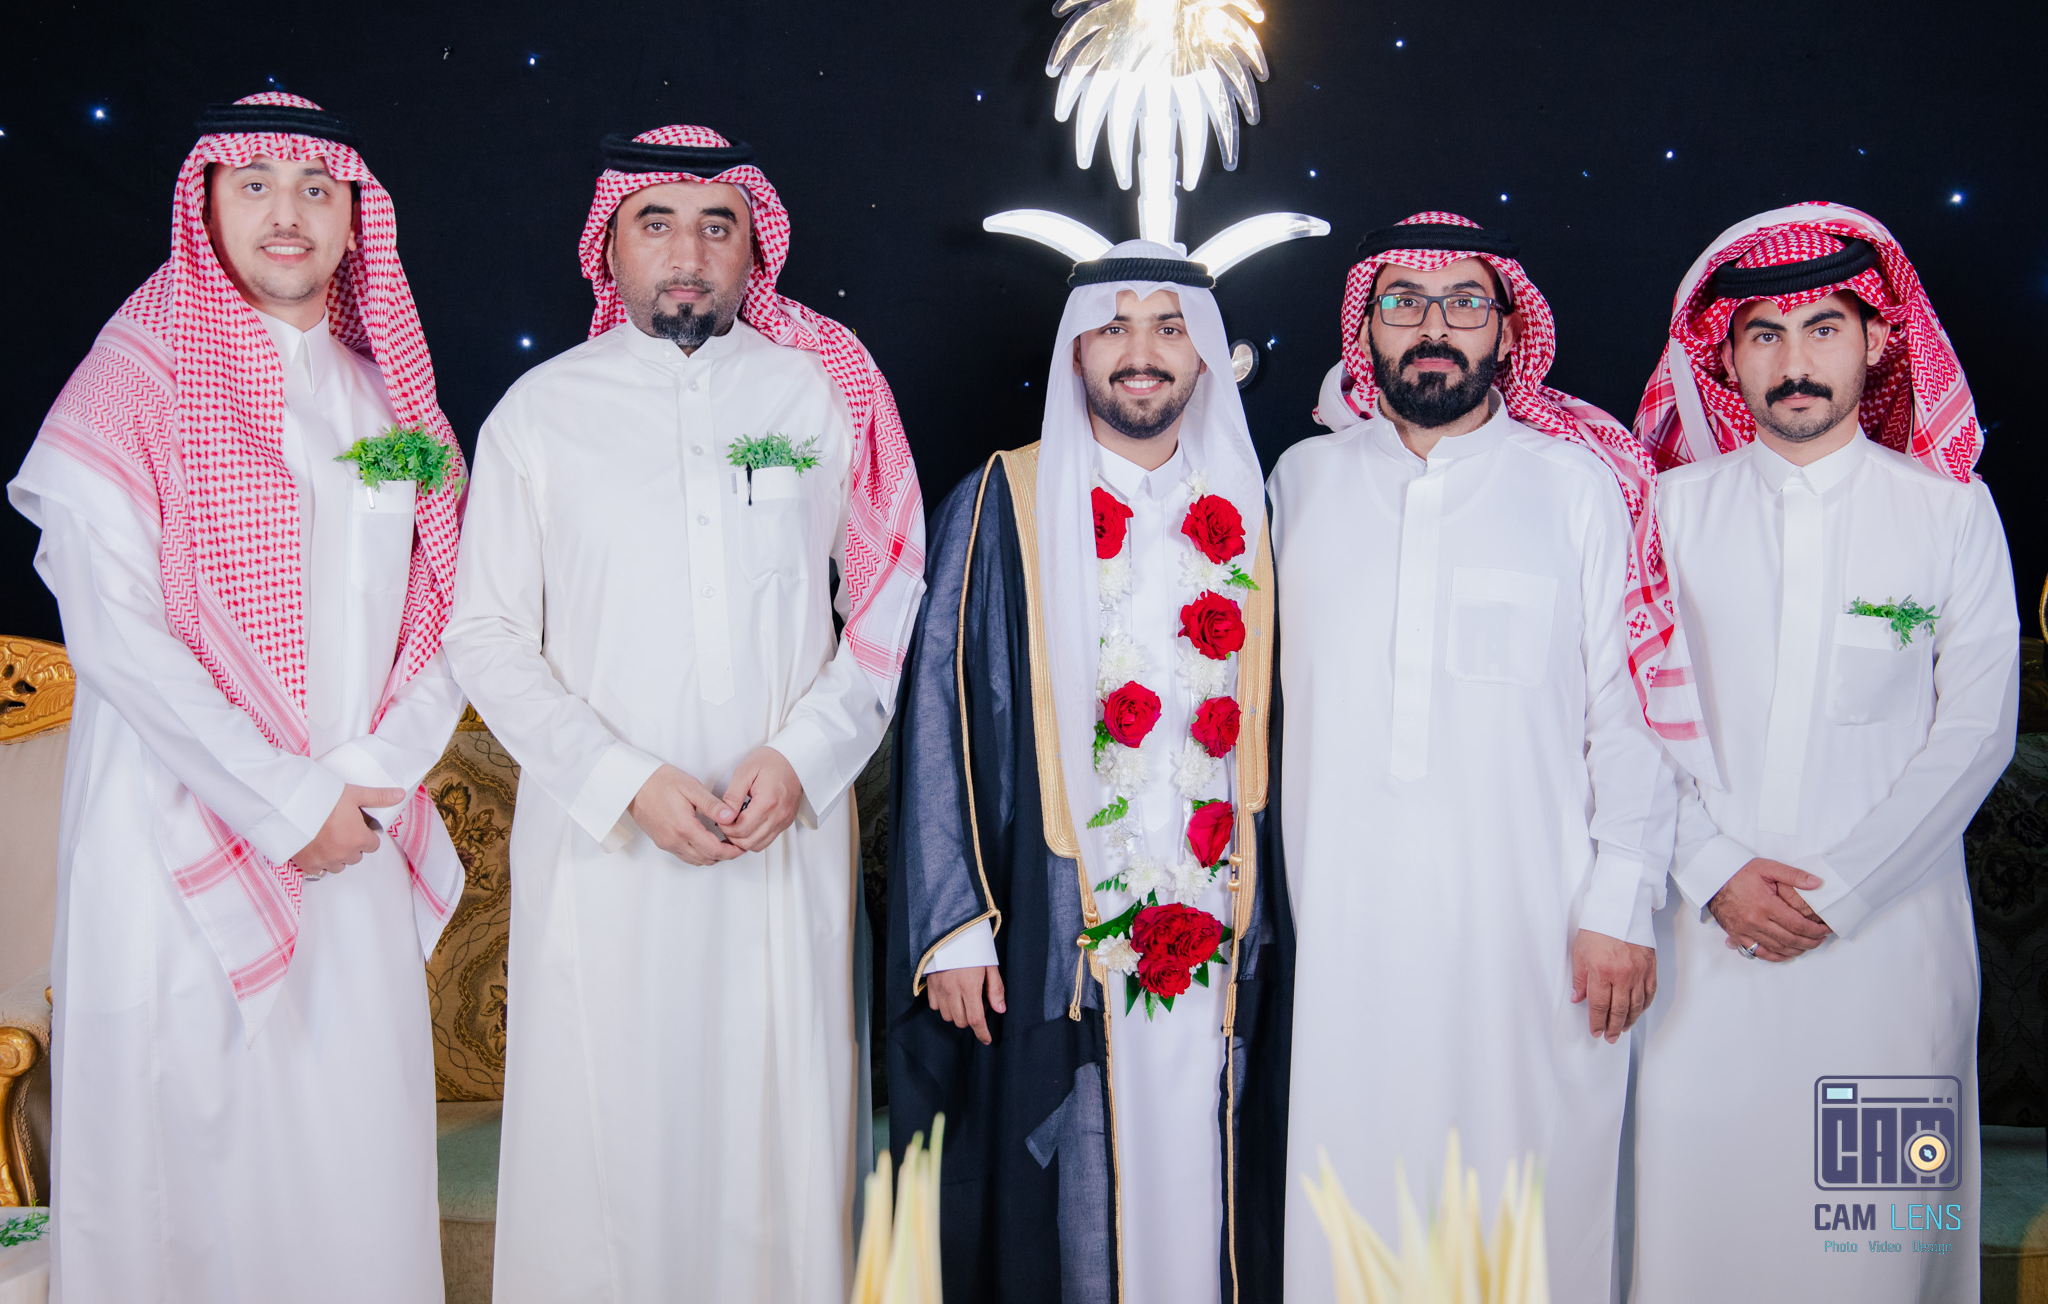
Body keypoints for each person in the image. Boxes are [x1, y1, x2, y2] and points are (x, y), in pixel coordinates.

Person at [444, 124, 925, 1303]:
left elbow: (890, 592)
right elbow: (485, 635)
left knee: (775, 1134)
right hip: (606, 851)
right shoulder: (539, 413)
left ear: (754, 249)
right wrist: (624, 782)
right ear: (607, 247)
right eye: (654, 223)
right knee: (609, 1139)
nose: (688, 253)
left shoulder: (817, 394)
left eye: (718, 226)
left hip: (780, 839)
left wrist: (803, 757)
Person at [7, 92, 466, 1303]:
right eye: (253, 185)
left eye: (316, 188)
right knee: (186, 1175)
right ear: (204, 205)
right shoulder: (131, 385)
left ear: (355, 221)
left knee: (348, 1169)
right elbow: (114, 632)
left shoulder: (390, 406)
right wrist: (282, 802)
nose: (286, 213)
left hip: (355, 831)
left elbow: (457, 607)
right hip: (172, 837)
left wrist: (367, 779)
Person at [1269, 213, 1693, 1304]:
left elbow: (1631, 712)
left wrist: (1620, 902)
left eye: (1464, 302)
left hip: (1539, 940)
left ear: (1506, 330)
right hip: (1345, 940)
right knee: (1350, 1200)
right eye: (1402, 302)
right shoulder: (1298, 485)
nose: (1433, 327)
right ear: (1364, 330)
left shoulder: (1575, 487)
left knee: (1530, 1211)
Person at [886, 241, 1293, 1304]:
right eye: (1114, 327)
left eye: (1168, 328)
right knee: (1070, 1188)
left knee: (1215, 1170)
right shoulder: (1006, 498)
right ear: (1075, 351)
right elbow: (940, 708)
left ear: (1204, 356)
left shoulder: (1257, 509)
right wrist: (955, 920)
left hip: (1220, 916)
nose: (1139, 352)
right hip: (1060, 918)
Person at [1629, 202, 2013, 1302]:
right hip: (1702, 956)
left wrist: (1837, 894)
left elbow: (1975, 731)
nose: (1793, 363)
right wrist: (1711, 871)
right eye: (1764, 335)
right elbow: (1622, 714)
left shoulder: (1949, 514)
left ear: (1878, 340)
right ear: (1726, 358)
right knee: (1693, 1248)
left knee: (1872, 1252)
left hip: (1886, 963)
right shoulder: (1664, 513)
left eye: (1822, 330)